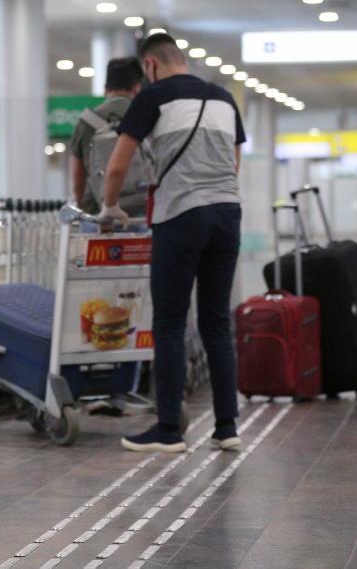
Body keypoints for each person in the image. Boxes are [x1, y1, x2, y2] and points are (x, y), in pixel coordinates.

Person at [100, 33, 246, 453]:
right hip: (227, 214)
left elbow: (117, 167)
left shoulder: (152, 97)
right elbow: (233, 164)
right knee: (217, 321)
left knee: (168, 323)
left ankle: (168, 429)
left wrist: (111, 208)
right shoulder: (222, 97)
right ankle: (227, 426)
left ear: (149, 66)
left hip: (181, 214)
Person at [68, 56, 145, 217]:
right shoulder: (146, 115)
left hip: (98, 211)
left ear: (105, 88)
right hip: (142, 212)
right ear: (137, 88)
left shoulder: (86, 121)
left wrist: (80, 204)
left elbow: (78, 173)